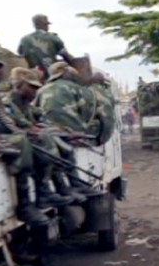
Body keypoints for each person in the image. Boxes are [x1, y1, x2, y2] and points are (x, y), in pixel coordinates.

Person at [0, 46, 73, 226]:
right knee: (22, 142)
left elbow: (8, 119)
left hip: (0, 133)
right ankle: (25, 204)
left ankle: (44, 192)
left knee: (39, 141)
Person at [5, 67, 93, 203]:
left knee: (62, 142)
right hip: (19, 141)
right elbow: (19, 125)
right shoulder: (9, 103)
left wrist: (62, 130)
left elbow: (42, 118)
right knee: (48, 145)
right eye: (31, 87)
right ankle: (47, 191)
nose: (36, 91)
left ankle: (69, 185)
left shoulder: (26, 104)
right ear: (19, 85)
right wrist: (43, 131)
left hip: (29, 138)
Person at [35, 61, 99, 138]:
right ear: (66, 72)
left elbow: (34, 108)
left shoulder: (41, 90)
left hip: (49, 128)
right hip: (75, 130)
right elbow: (88, 110)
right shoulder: (77, 88)